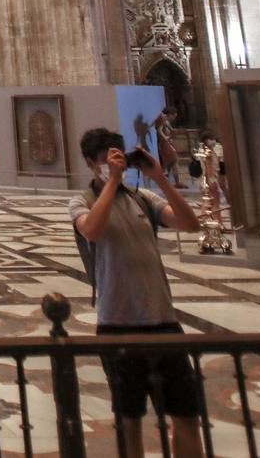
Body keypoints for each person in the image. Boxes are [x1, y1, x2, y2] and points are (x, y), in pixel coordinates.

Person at [71, 127, 203, 458]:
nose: (113, 165)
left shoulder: (144, 197)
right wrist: (112, 181)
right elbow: (92, 230)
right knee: (129, 421)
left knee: (186, 415)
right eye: (106, 160)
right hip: (118, 324)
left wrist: (159, 177)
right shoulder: (82, 201)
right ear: (91, 163)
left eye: (118, 157)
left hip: (163, 321)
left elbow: (191, 224)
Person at [154, 107, 181, 186]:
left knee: (171, 162)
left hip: (168, 143)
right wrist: (165, 138)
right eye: (173, 116)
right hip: (165, 144)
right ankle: (166, 181)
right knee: (170, 161)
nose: (174, 118)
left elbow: (170, 130)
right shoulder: (163, 119)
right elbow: (159, 130)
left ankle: (173, 182)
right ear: (169, 114)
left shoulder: (166, 121)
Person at [200, 130, 227, 203]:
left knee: (222, 186)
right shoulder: (207, 152)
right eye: (211, 139)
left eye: (213, 139)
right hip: (211, 178)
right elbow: (208, 168)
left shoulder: (214, 149)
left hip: (216, 173)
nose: (213, 141)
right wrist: (211, 180)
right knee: (214, 200)